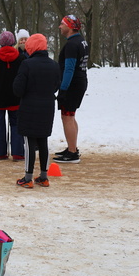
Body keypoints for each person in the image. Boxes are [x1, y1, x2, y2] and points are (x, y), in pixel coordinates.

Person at [13, 34, 61, 187]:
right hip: (47, 106)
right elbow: (56, 86)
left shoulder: (27, 64)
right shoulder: (54, 65)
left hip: (29, 106)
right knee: (43, 141)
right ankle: (44, 176)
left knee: (29, 142)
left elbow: (18, 89)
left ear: (31, 47)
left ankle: (28, 178)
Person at [54, 15, 89, 164]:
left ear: (70, 27)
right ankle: (72, 147)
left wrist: (63, 89)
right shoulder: (82, 41)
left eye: (62, 24)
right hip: (80, 81)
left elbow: (69, 69)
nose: (59, 26)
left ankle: (72, 153)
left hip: (72, 84)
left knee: (67, 117)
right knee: (71, 116)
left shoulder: (71, 45)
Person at [0, 31, 25, 161]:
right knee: (16, 124)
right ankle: (18, 152)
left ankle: (0, 152)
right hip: (16, 96)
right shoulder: (21, 58)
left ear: (0, 42)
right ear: (14, 41)